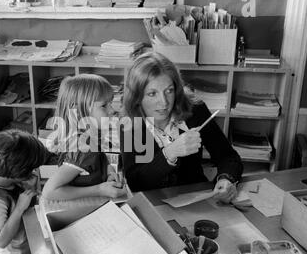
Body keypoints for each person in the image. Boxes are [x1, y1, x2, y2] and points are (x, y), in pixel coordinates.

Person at [121, 52, 243, 203]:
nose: (164, 102)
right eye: (152, 94)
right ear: (137, 97)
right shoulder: (129, 124)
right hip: (152, 205)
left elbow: (228, 157)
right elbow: (135, 182)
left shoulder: (195, 111)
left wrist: (226, 179)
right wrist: (169, 153)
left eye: (169, 91)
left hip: (197, 201)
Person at [41, 74, 126, 201]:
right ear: (79, 111)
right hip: (81, 208)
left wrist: (109, 170)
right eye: (104, 105)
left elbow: (97, 159)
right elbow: (49, 192)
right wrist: (100, 189)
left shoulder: (89, 136)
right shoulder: (83, 147)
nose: (112, 110)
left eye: (111, 102)